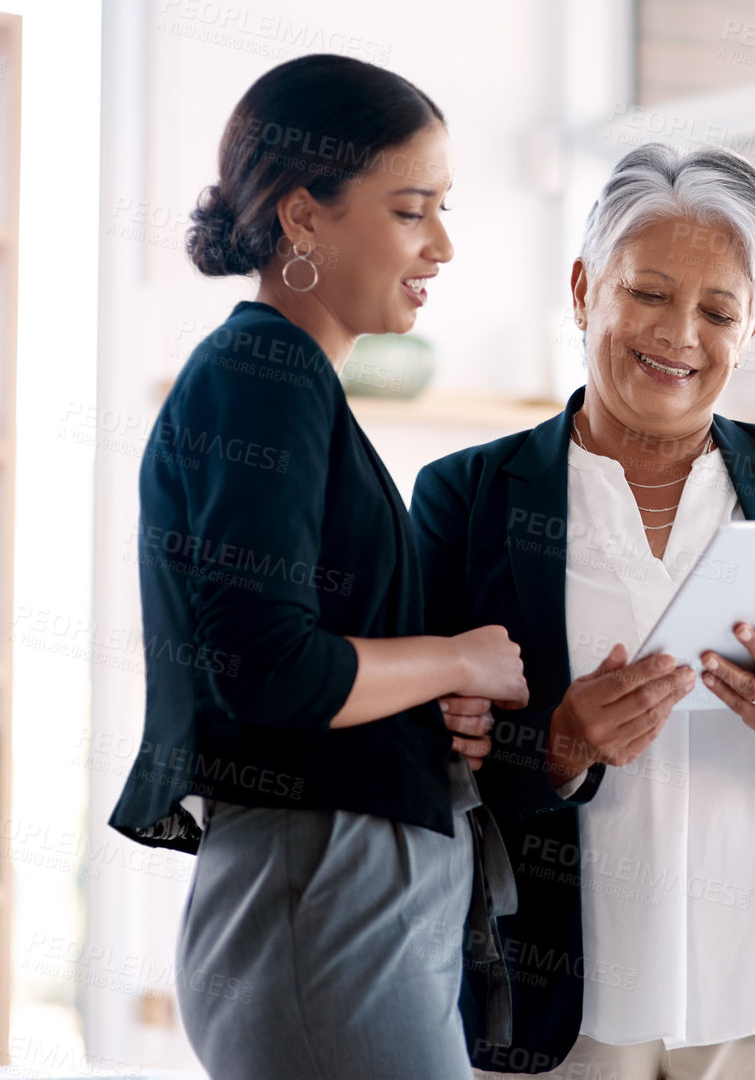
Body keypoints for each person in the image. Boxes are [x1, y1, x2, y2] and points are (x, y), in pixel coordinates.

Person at [412, 142, 755, 1079]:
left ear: (753, 327)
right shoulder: (469, 498)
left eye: (719, 310)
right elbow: (408, 759)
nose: (681, 336)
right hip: (562, 1018)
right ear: (585, 289)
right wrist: (557, 744)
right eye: (649, 293)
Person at [107, 53, 527, 1080]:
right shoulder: (263, 379)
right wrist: (458, 660)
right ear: (305, 218)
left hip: (344, 897)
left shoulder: (286, 381)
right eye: (411, 209)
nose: (443, 245)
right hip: (328, 899)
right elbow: (274, 671)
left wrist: (433, 695)